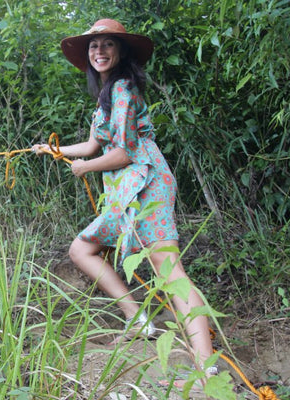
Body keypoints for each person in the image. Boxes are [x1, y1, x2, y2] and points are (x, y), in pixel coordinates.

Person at [32, 19, 217, 387]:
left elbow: (123, 153)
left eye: (107, 45)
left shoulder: (124, 90)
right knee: (81, 249)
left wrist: (86, 168)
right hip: (124, 190)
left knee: (169, 270)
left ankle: (206, 365)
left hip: (146, 184)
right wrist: (53, 149)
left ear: (121, 52)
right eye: (93, 46)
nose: (99, 51)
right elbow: (91, 146)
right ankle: (140, 321)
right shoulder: (105, 97)